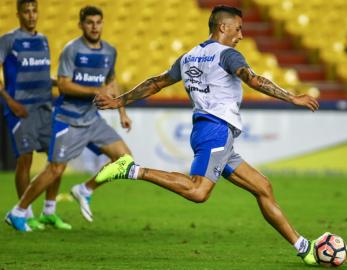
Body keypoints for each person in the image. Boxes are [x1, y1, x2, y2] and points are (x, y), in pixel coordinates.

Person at [94, 5, 320, 266]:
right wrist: (292, 97)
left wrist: (120, 100)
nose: (241, 35)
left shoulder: (189, 56)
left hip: (207, 130)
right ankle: (132, 169)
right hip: (216, 130)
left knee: (262, 187)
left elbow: (156, 82)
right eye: (238, 28)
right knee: (198, 191)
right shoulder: (228, 55)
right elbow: (254, 80)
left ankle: (304, 248)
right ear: (223, 27)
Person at [5, 5, 132, 231]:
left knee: (125, 160)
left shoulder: (110, 51)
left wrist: (121, 110)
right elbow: (63, 85)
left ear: (103, 23)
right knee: (54, 169)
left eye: (98, 22)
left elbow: (112, 80)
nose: (94, 27)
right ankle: (18, 211)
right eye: (89, 22)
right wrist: (95, 92)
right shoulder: (71, 50)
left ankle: (85, 189)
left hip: (92, 119)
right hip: (68, 119)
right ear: (81, 25)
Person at [1, 0, 71, 231]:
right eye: (26, 11)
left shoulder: (42, 40)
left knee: (58, 157)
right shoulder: (8, 40)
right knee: (26, 159)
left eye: (34, 11)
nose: (31, 15)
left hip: (44, 107)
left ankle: (49, 211)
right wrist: (10, 102)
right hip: (20, 109)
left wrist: (60, 83)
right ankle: (24, 212)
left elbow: (41, 74)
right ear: (19, 14)